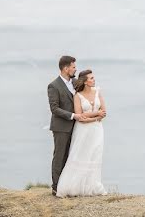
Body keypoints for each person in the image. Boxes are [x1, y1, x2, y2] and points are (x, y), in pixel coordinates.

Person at [55, 68, 107, 197]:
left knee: (94, 156)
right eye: (91, 78)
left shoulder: (98, 91)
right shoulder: (77, 96)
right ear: (85, 82)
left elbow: (104, 111)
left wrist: (93, 116)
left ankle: (93, 186)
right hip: (83, 131)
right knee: (80, 155)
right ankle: (74, 187)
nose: (94, 80)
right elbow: (80, 116)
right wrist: (96, 116)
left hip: (97, 131)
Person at [47, 55, 94, 196]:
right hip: (61, 127)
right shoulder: (53, 86)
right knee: (60, 156)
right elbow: (54, 109)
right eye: (73, 67)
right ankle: (56, 187)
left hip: (77, 127)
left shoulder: (75, 82)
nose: (75, 69)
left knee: (72, 156)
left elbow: (87, 92)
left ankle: (68, 185)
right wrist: (74, 115)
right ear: (66, 68)